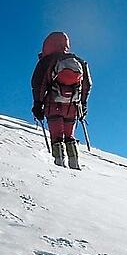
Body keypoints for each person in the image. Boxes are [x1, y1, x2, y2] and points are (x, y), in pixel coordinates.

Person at [30, 31, 92, 169]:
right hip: (72, 106)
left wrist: (38, 104)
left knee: (57, 135)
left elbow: (38, 84)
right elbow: (87, 85)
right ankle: (74, 164)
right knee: (70, 136)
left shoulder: (47, 61)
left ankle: (59, 167)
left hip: (53, 105)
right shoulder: (79, 61)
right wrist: (83, 105)